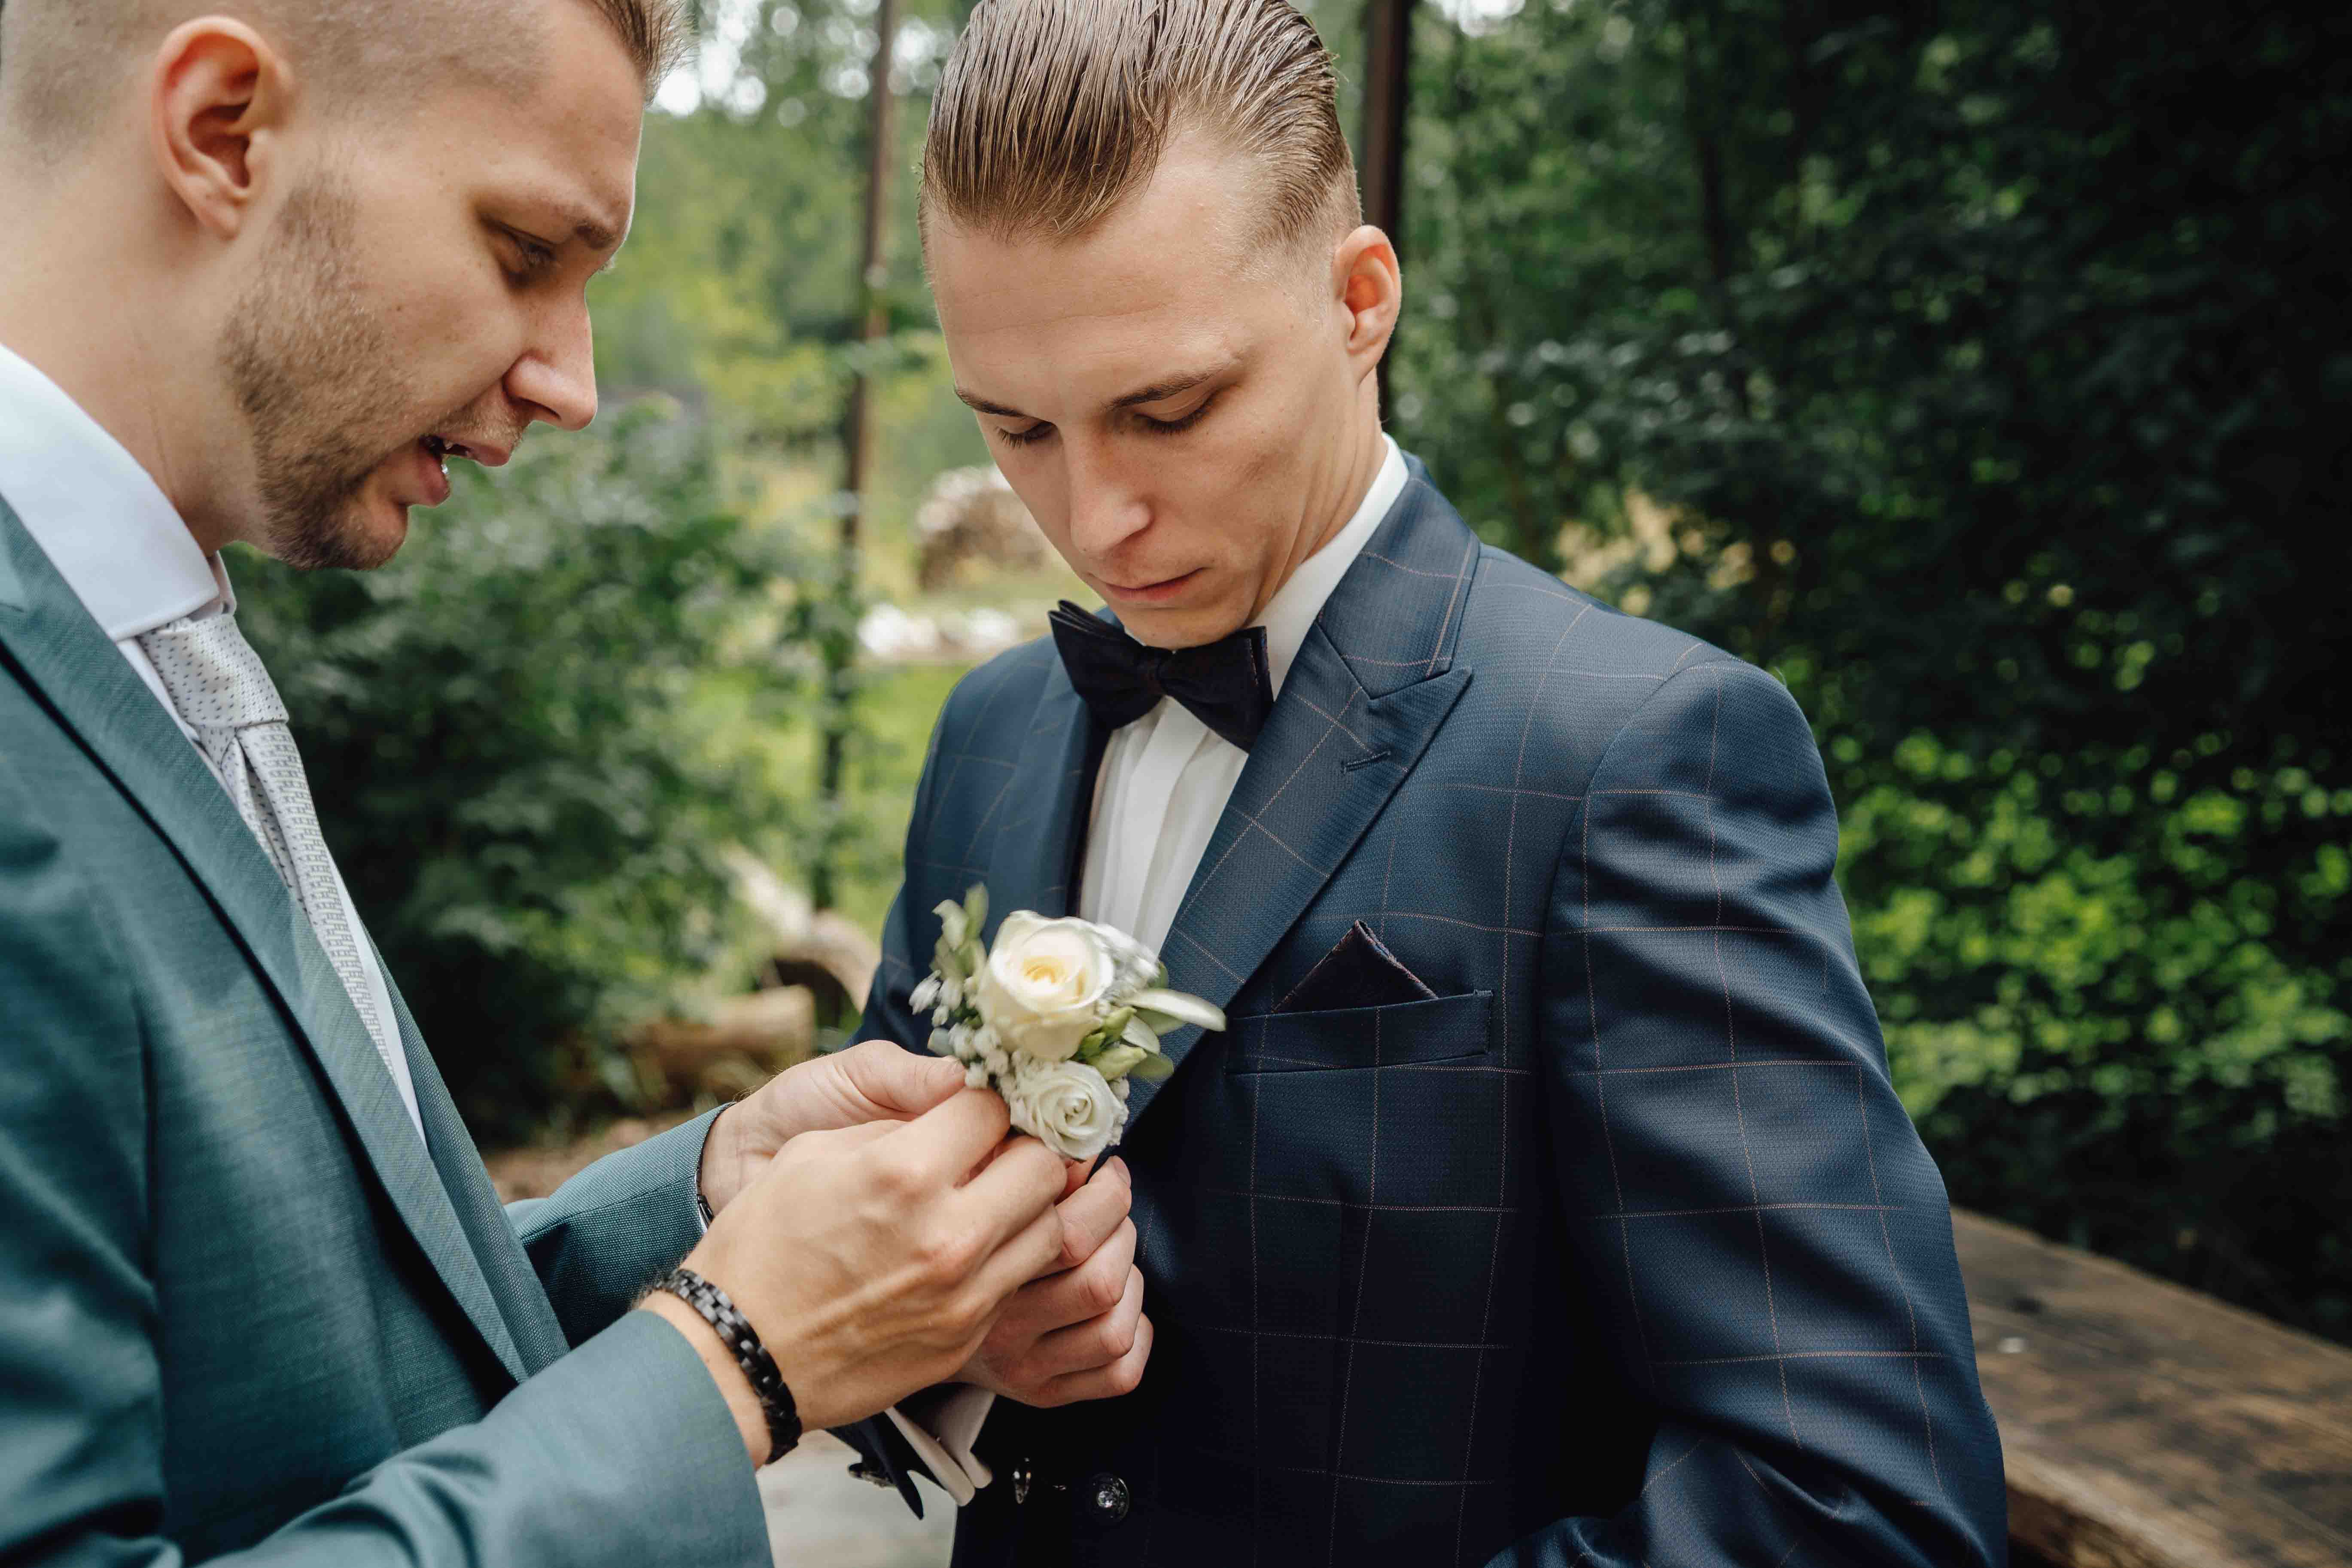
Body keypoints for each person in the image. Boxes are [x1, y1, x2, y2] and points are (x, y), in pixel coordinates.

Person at [847, 0, 2011, 1562]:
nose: (1097, 516)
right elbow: (865, 1270)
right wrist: (953, 1352)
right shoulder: (989, 731)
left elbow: (1863, 1504)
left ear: (1360, 301)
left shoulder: (1638, 756)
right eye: (1017, 427)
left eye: (1169, 410)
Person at [0, 0, 1142, 1561]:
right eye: (526, 251)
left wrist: (710, 1204)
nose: (573, 382)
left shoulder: (140, 641)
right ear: (223, 132)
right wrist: (732, 1361)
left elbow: (321, 1377)